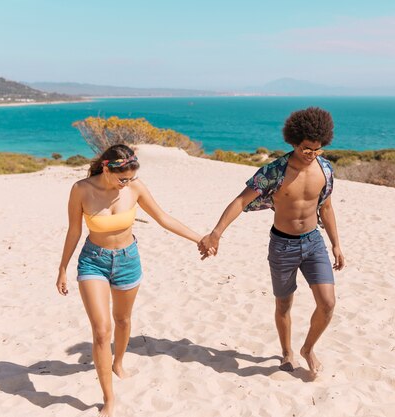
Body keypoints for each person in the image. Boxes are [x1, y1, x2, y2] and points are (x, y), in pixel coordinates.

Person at [56, 144, 208, 417]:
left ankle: (119, 362)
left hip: (128, 260)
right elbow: (74, 230)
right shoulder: (81, 189)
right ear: (106, 167)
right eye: (122, 178)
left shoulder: (135, 188)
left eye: (130, 178)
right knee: (102, 331)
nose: (126, 183)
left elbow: (163, 218)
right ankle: (109, 398)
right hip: (93, 262)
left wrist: (200, 238)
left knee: (123, 320)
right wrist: (62, 267)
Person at [198, 107, 345, 378]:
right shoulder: (275, 171)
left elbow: (326, 207)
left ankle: (308, 348)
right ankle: (287, 351)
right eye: (306, 148)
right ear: (293, 141)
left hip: (314, 243)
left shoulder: (325, 169)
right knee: (283, 305)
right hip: (283, 245)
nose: (311, 154)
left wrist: (336, 244)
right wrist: (216, 232)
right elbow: (241, 201)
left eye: (317, 149)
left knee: (328, 302)